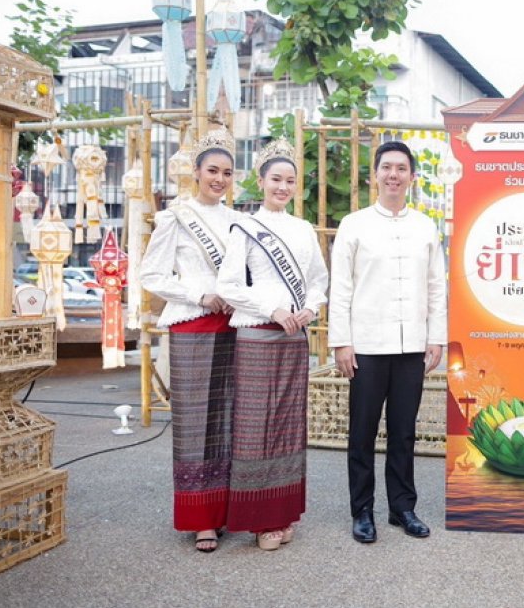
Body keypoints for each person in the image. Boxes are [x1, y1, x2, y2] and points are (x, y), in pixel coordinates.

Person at [328, 140, 447, 544]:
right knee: (361, 432)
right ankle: (362, 511)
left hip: (412, 345)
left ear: (412, 177)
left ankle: (402, 507)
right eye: (387, 168)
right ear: (374, 175)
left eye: (402, 168)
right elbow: (340, 287)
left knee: (403, 431)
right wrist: (341, 342)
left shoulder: (425, 226)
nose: (394, 175)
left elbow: (436, 287)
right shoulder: (354, 224)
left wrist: (436, 339)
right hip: (365, 346)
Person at [216, 138, 328, 551]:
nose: (283, 187)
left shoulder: (303, 230)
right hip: (257, 336)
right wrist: (273, 306)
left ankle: (282, 515)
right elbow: (226, 285)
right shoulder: (244, 227)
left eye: (290, 181)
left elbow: (318, 281)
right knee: (254, 426)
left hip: (293, 338)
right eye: (276, 179)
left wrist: (310, 309)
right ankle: (258, 518)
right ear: (261, 181)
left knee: (287, 426)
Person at [140, 127, 242, 553]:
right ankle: (201, 519)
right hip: (193, 326)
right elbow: (151, 275)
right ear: (196, 172)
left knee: (229, 422)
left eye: (227, 173)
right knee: (196, 424)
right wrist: (200, 294)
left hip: (235, 326)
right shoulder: (175, 217)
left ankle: (227, 511)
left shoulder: (239, 220)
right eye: (212, 170)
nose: (219, 179)